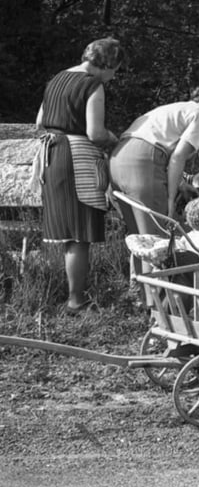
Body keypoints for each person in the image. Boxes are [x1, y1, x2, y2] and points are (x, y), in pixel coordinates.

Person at [34, 37, 121, 313]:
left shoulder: (57, 79)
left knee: (69, 233)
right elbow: (95, 133)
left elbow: (39, 122)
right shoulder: (92, 84)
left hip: (52, 156)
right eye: (115, 69)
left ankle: (73, 296)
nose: (114, 76)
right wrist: (114, 138)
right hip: (76, 158)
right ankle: (76, 300)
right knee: (79, 235)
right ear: (106, 64)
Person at [109, 82, 199, 235]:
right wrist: (170, 201)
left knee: (140, 242)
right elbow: (177, 157)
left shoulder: (178, 108)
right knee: (158, 241)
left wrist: (181, 184)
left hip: (117, 160)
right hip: (143, 163)